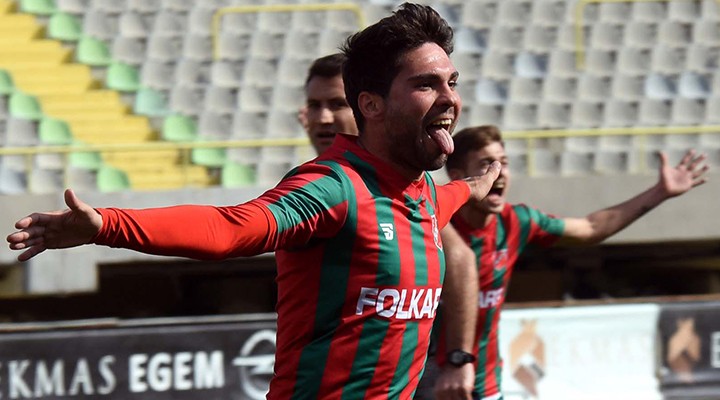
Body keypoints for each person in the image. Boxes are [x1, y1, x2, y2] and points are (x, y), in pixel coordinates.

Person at [7, 4, 498, 399]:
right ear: (370, 105)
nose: (450, 98)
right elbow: (230, 229)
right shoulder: (333, 188)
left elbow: (452, 195)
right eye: (426, 84)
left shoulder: (422, 192)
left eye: (451, 82)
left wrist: (477, 184)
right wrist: (107, 225)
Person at [430, 125, 709, 400]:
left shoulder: (516, 221)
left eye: (504, 162)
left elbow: (591, 228)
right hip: (429, 378)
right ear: (459, 177)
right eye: (486, 164)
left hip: (484, 381)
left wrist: (659, 192)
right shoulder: (431, 222)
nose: (499, 171)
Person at [301, 53, 479, 399]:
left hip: (407, 377)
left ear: (368, 107)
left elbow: (460, 259)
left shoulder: (396, 185)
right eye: (314, 106)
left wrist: (458, 358)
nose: (323, 117)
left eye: (336, 104)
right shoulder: (327, 179)